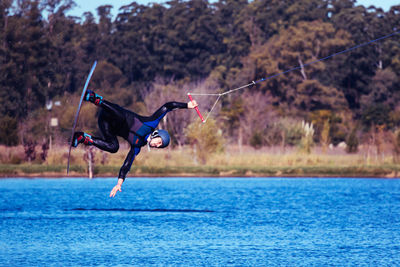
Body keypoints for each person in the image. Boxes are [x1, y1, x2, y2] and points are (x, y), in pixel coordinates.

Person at [72, 89, 198, 197]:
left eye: (159, 146)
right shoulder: (151, 123)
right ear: (157, 134)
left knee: (114, 147)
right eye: (159, 142)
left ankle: (82, 138)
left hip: (105, 125)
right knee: (122, 117)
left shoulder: (137, 146)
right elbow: (168, 106)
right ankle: (95, 99)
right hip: (110, 112)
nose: (156, 145)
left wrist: (118, 184)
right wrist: (187, 105)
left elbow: (126, 165)